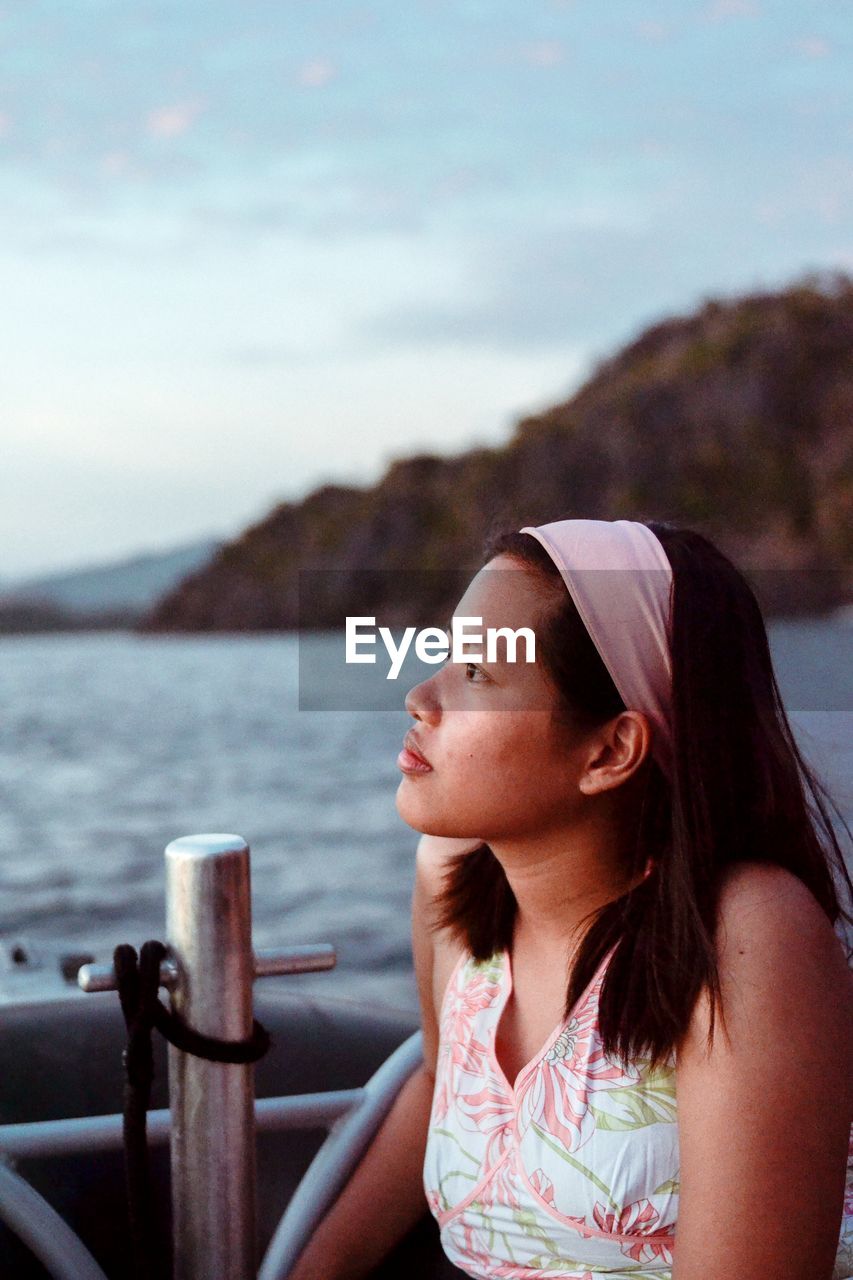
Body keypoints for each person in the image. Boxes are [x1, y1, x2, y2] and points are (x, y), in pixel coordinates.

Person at [289, 517, 853, 1280]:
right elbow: (436, 1083)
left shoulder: (748, 934)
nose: (420, 697)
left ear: (609, 750)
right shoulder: (452, 881)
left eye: (480, 675)